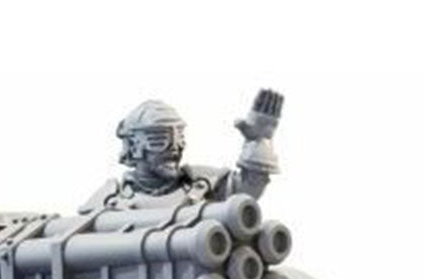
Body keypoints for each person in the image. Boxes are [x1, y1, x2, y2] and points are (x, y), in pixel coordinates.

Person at [78, 89, 284, 214]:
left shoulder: (202, 183)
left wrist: (259, 141)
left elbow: (249, 189)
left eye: (179, 137)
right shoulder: (110, 199)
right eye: (160, 139)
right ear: (134, 147)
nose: (175, 147)